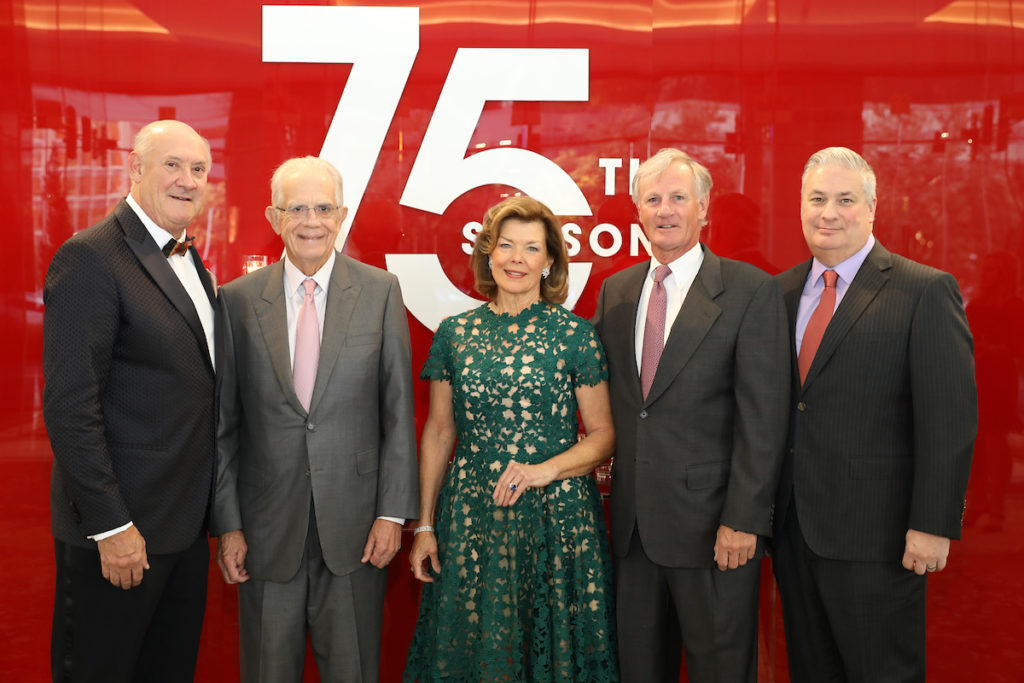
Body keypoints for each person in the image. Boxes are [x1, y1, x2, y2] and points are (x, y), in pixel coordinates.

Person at [771, 147, 977, 682]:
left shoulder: (924, 290)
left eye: (844, 200)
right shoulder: (780, 292)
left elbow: (950, 422)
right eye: (817, 199)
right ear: (800, 206)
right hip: (795, 534)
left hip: (878, 537)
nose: (828, 213)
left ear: (871, 208)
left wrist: (932, 525)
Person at [213, 156, 418, 682]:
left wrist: (393, 514)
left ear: (342, 214)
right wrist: (229, 525)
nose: (311, 221)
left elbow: (397, 413)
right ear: (273, 216)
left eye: (323, 208)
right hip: (265, 535)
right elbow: (225, 426)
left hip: (357, 533)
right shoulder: (235, 301)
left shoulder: (380, 291)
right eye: (297, 208)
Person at [592, 148, 789, 682]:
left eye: (678, 198)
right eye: (652, 199)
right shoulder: (617, 291)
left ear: (704, 208)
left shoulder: (751, 291)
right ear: (637, 212)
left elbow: (765, 420)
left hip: (715, 534)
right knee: (638, 670)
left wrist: (744, 520)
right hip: (633, 536)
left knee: (720, 670)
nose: (665, 210)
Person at [404, 196, 618, 683]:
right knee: (473, 654)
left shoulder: (575, 337)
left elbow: (604, 437)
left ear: (549, 262)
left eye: (531, 248)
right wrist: (424, 526)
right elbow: (439, 431)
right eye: (505, 246)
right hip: (472, 519)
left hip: (557, 523)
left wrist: (542, 471)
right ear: (488, 253)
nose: (516, 259)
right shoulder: (454, 334)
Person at [43, 119, 217, 682]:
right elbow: (71, 407)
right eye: (172, 165)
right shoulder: (91, 257)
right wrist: (111, 526)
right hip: (119, 539)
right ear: (135, 169)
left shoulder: (195, 264)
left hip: (183, 531)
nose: (187, 180)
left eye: (198, 169)